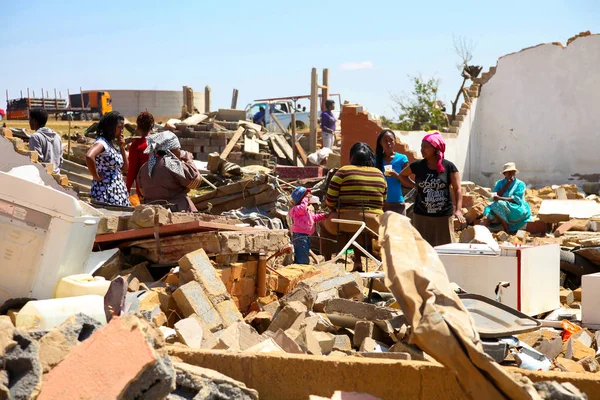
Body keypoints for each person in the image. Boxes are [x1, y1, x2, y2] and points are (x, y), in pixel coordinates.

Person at [322, 142, 387, 271]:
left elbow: (330, 200)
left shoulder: (343, 171)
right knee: (362, 225)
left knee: (323, 223)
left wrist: (335, 209)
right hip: (374, 223)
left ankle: (328, 262)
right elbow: (383, 201)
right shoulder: (380, 174)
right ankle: (358, 262)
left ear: (352, 157)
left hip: (344, 222)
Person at [400, 132, 465, 247]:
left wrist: (458, 210)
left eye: (426, 146)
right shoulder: (418, 165)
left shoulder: (448, 167)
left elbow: (457, 189)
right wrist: (414, 185)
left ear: (436, 149)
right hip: (421, 215)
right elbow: (402, 175)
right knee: (422, 248)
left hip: (443, 216)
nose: (422, 149)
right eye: (421, 146)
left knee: (445, 248)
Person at [137, 131, 201, 212]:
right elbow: (195, 182)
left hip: (151, 212)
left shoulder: (145, 167)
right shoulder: (172, 163)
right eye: (178, 149)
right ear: (172, 150)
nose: (180, 152)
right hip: (175, 211)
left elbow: (142, 191)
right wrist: (189, 161)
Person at [85, 111, 131, 207]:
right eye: (119, 127)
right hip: (105, 192)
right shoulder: (102, 143)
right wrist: (96, 175)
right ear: (110, 127)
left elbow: (125, 168)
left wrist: (122, 147)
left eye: (123, 128)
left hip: (117, 192)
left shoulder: (112, 144)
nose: (122, 131)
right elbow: (89, 156)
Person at [481, 162, 532, 233]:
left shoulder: (520, 184)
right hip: (501, 206)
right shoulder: (499, 183)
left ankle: (507, 228)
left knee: (497, 204)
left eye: (512, 172)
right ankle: (480, 231)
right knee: (489, 212)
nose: (511, 174)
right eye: (508, 172)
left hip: (515, 208)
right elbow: (495, 195)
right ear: (504, 174)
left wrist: (500, 198)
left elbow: (516, 199)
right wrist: (507, 185)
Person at [289, 186, 327, 264]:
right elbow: (302, 208)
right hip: (300, 236)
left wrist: (323, 215)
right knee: (302, 256)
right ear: (301, 199)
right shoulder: (297, 209)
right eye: (306, 196)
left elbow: (312, 218)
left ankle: (300, 265)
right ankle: (302, 266)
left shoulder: (306, 210)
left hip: (305, 236)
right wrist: (306, 198)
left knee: (303, 253)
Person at [375, 129, 409, 214]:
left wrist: (397, 175)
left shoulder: (402, 159)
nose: (388, 143)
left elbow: (407, 183)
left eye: (391, 140)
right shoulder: (375, 160)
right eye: (385, 141)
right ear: (380, 143)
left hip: (397, 203)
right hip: (380, 204)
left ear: (395, 141)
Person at [28, 109, 63, 173]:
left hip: (42, 178)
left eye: (30, 119)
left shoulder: (35, 137)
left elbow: (36, 161)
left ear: (35, 121)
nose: (29, 122)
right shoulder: (57, 136)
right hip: (56, 177)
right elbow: (60, 160)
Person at [126, 111, 153, 193]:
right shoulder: (159, 143)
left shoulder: (136, 146)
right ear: (151, 126)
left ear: (138, 127)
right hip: (161, 187)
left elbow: (132, 171)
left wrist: (127, 189)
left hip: (143, 189)